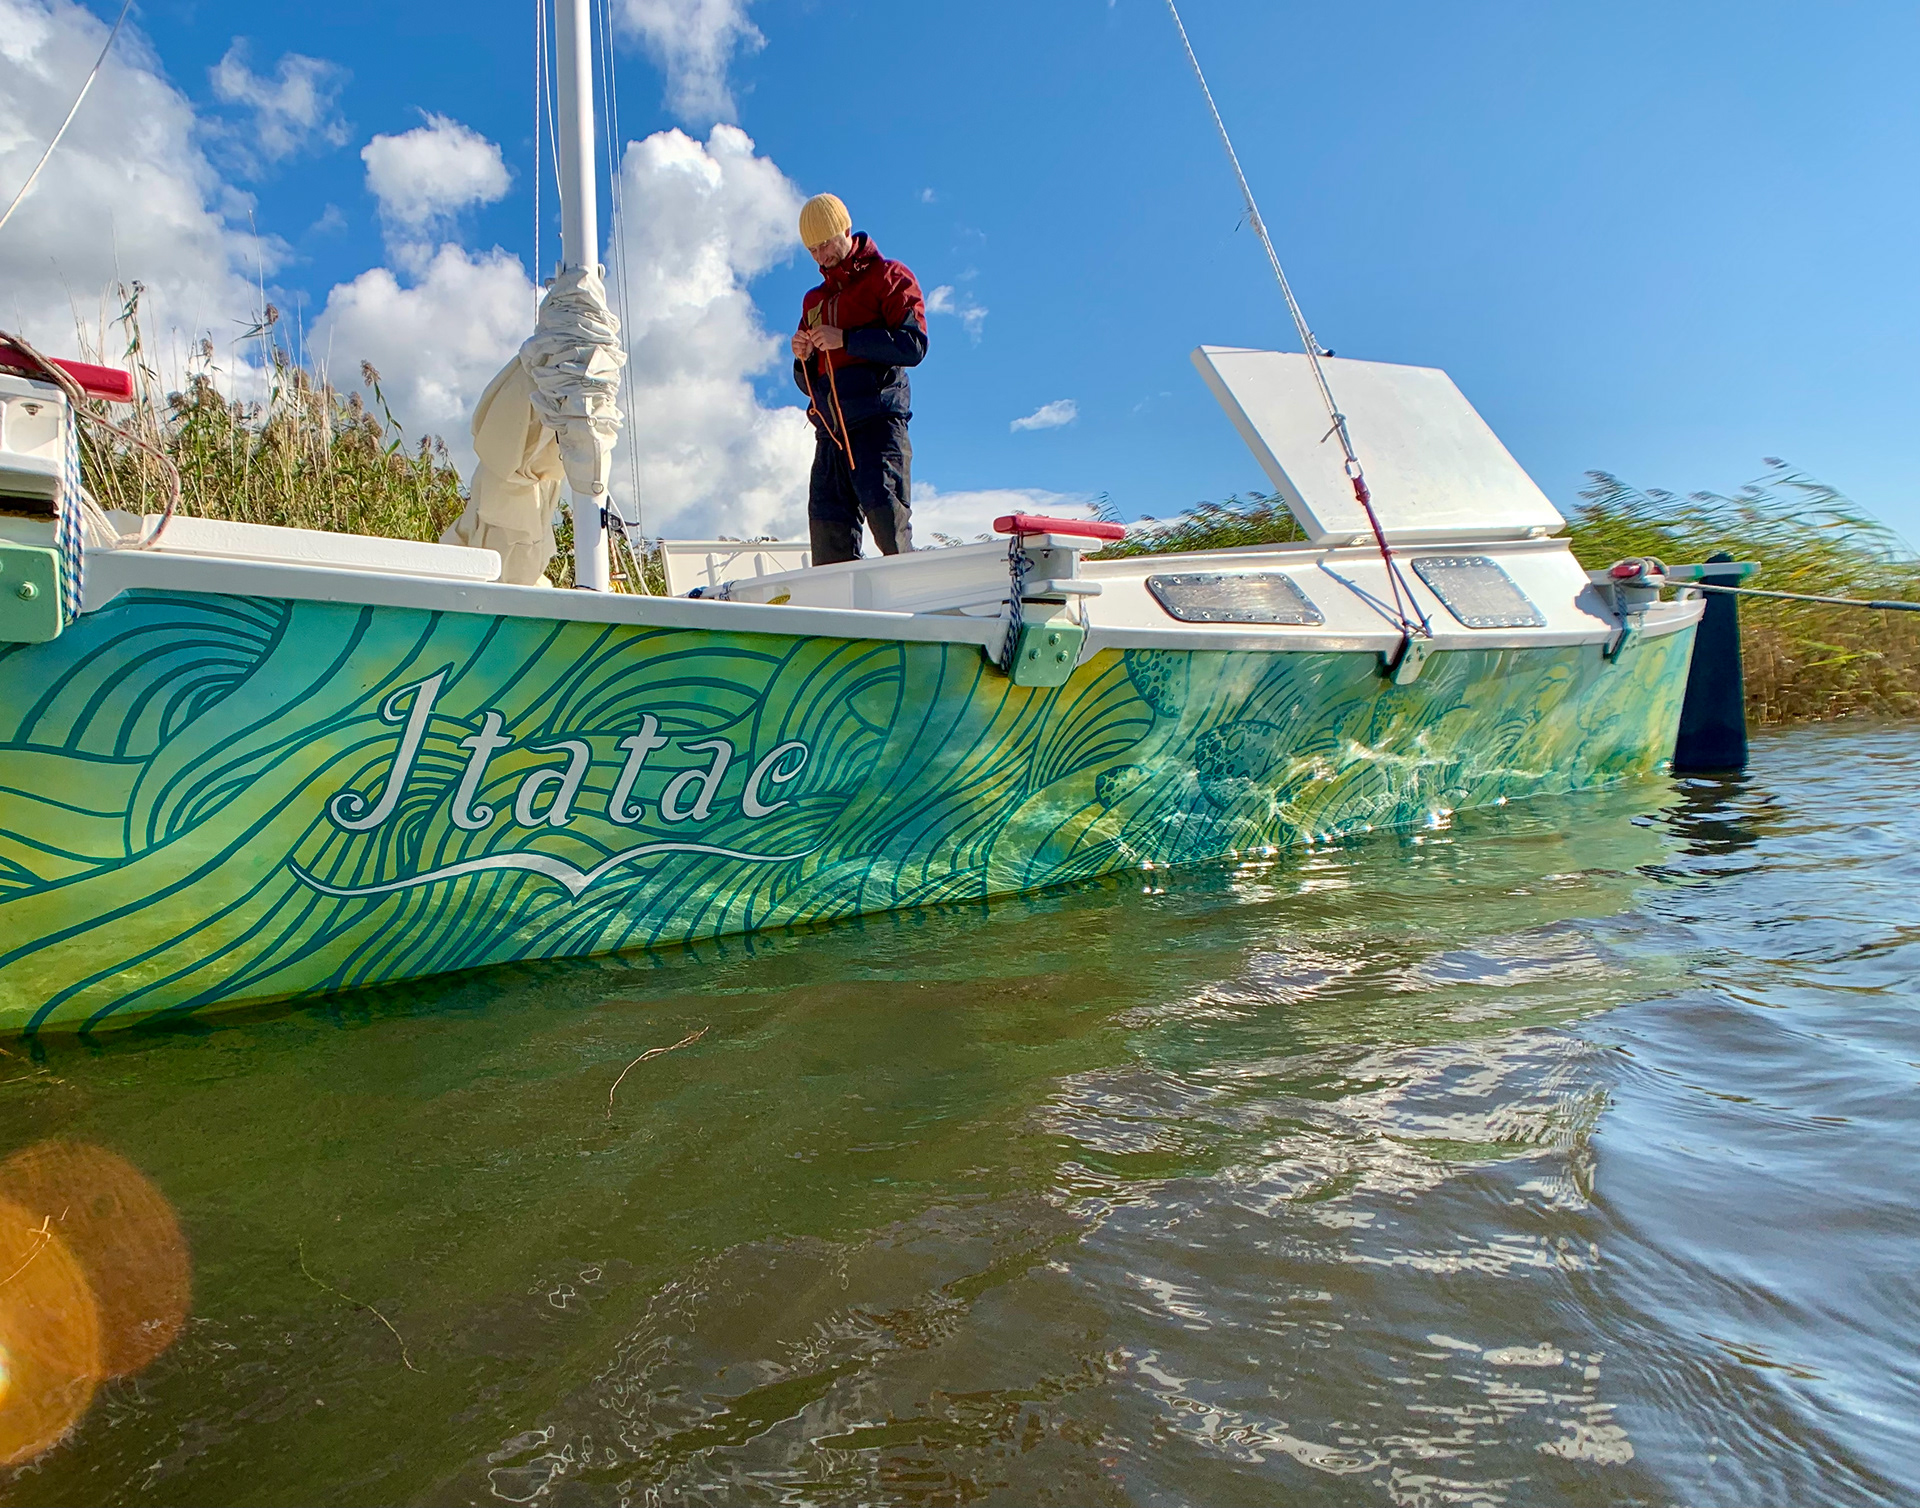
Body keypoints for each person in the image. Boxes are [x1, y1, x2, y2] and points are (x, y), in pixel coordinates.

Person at [790, 193, 928, 565]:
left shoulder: (890, 276)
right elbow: (808, 382)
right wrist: (804, 357)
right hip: (831, 435)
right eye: (812, 250)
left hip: (877, 426)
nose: (820, 256)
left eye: (825, 244)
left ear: (846, 229)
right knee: (828, 545)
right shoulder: (813, 301)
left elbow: (914, 345)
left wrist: (846, 339)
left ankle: (912, 598)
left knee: (890, 533)